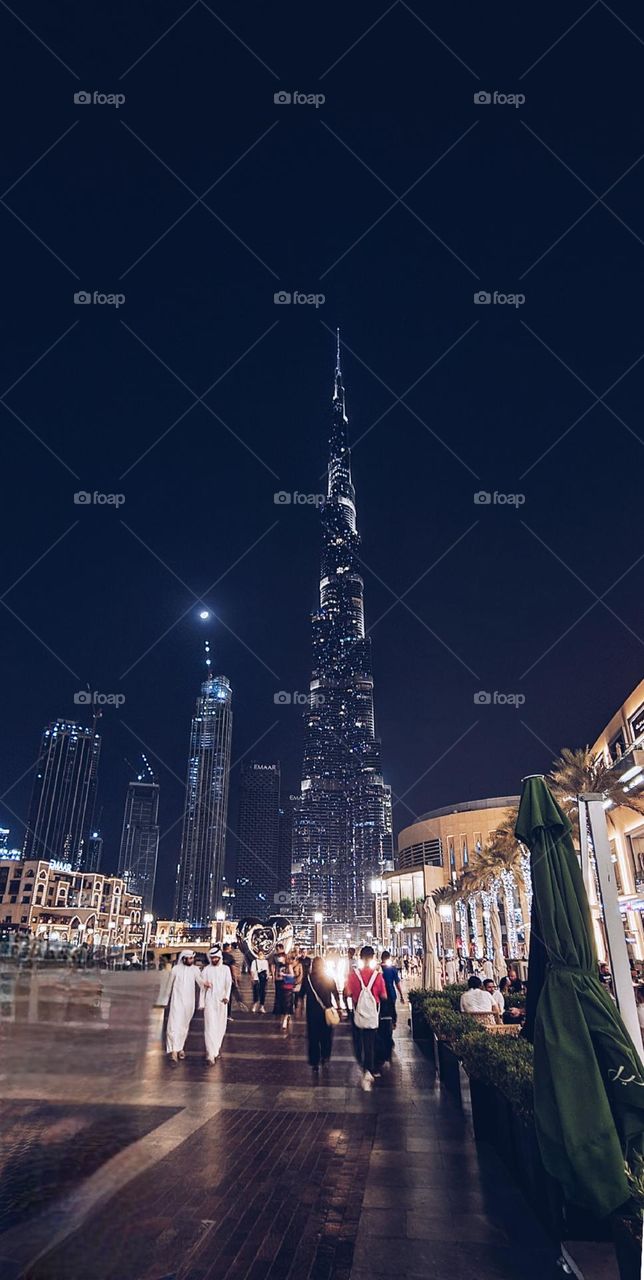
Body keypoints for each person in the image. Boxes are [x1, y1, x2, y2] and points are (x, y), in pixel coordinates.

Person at [346, 945, 388, 1090]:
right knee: (370, 1041)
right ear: (373, 958)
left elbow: (347, 992)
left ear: (360, 957)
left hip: (357, 1011)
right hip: (371, 1013)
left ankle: (362, 1062)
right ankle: (369, 1069)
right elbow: (384, 996)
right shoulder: (378, 976)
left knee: (358, 1040)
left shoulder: (354, 975)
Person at [165, 950, 204, 1062]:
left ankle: (180, 1048)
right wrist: (165, 1000)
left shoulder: (195, 970)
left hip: (189, 1003)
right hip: (176, 1002)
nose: (191, 960)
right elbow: (169, 985)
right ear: (184, 959)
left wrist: (205, 983)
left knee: (183, 1026)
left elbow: (200, 981)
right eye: (190, 958)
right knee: (173, 1025)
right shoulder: (175, 969)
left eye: (192, 958)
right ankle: (173, 1051)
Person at [305, 956, 341, 1071]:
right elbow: (336, 994)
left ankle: (315, 1062)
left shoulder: (308, 979)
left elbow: (300, 996)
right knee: (326, 1036)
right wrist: (339, 1008)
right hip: (327, 1013)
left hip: (312, 1014)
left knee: (313, 1038)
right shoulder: (329, 978)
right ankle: (325, 1057)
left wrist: (299, 1009)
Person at [202, 945, 232, 1064]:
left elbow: (228, 984)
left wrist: (227, 997)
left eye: (216, 958)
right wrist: (205, 984)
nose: (214, 960)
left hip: (221, 1001)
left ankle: (216, 1050)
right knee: (210, 1025)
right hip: (209, 1000)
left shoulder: (225, 969)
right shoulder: (206, 970)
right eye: (212, 958)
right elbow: (201, 984)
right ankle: (210, 1053)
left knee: (220, 1026)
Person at [380, 950, 405, 1029]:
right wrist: (401, 995)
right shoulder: (392, 969)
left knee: (383, 1009)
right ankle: (392, 1023)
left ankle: (385, 1024)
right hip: (391, 992)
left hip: (381, 993)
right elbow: (397, 983)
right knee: (391, 1009)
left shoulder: (378, 968)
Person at [222, 943, 247, 1017]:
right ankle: (228, 1014)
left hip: (220, 978)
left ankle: (222, 1013)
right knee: (228, 995)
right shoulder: (233, 956)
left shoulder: (220, 956)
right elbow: (233, 968)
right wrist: (235, 980)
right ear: (228, 948)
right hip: (230, 977)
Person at [279, 958, 296, 1029]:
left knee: (287, 1003)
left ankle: (285, 1020)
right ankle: (287, 1014)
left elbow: (292, 975)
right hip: (285, 986)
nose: (280, 959)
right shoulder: (283, 966)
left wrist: (284, 974)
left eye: (281, 958)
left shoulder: (289, 966)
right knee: (286, 1003)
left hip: (288, 987)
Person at [271, 943, 287, 1015]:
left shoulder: (286, 956)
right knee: (279, 993)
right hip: (279, 977)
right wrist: (273, 977)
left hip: (284, 977)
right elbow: (273, 967)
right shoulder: (275, 956)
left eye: (278, 949)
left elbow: (289, 965)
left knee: (284, 993)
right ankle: (278, 1009)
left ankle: (282, 1009)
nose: (277, 950)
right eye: (276, 949)